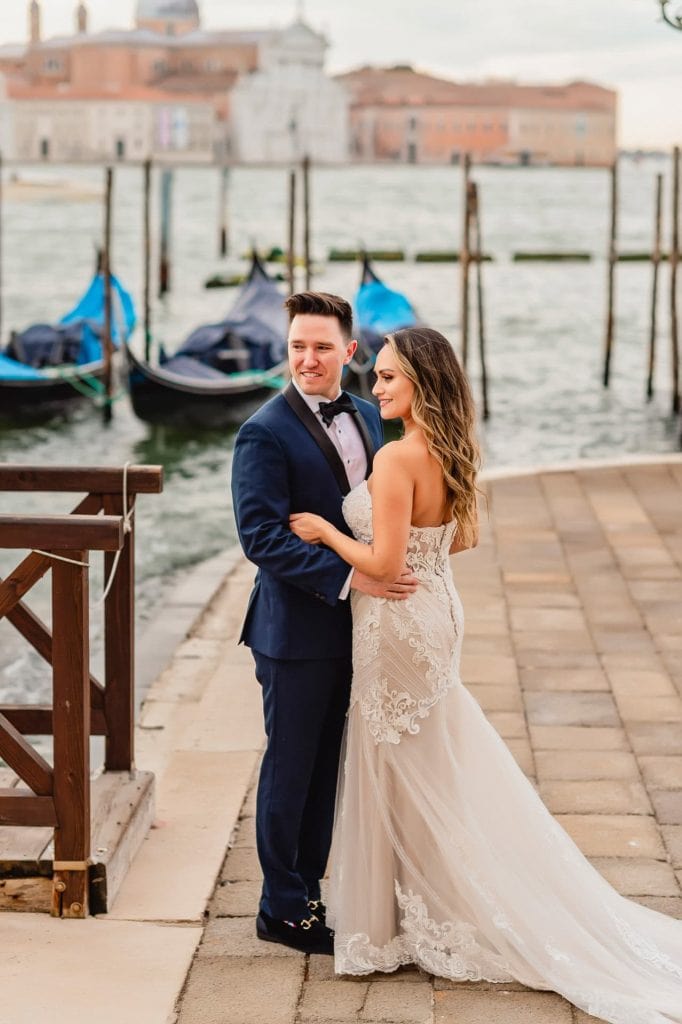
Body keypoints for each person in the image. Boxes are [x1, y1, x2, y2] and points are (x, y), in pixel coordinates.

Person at [290, 326, 682, 1022]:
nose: (374, 387)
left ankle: (386, 927)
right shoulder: (446, 449)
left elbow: (380, 566)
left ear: (419, 382)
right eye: (375, 376)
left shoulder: (396, 460)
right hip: (437, 611)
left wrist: (325, 531)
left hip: (395, 624)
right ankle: (415, 908)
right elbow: (460, 538)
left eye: (387, 377)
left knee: (393, 760)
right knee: (428, 760)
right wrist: (412, 556)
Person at [231, 291, 418, 956]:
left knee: (329, 767)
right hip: (295, 633)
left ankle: (308, 890)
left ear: (350, 351)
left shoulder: (369, 415)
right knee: (292, 766)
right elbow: (261, 538)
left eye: (320, 347)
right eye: (296, 347)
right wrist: (351, 577)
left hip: (358, 626)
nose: (307, 360)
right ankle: (280, 908)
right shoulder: (262, 431)